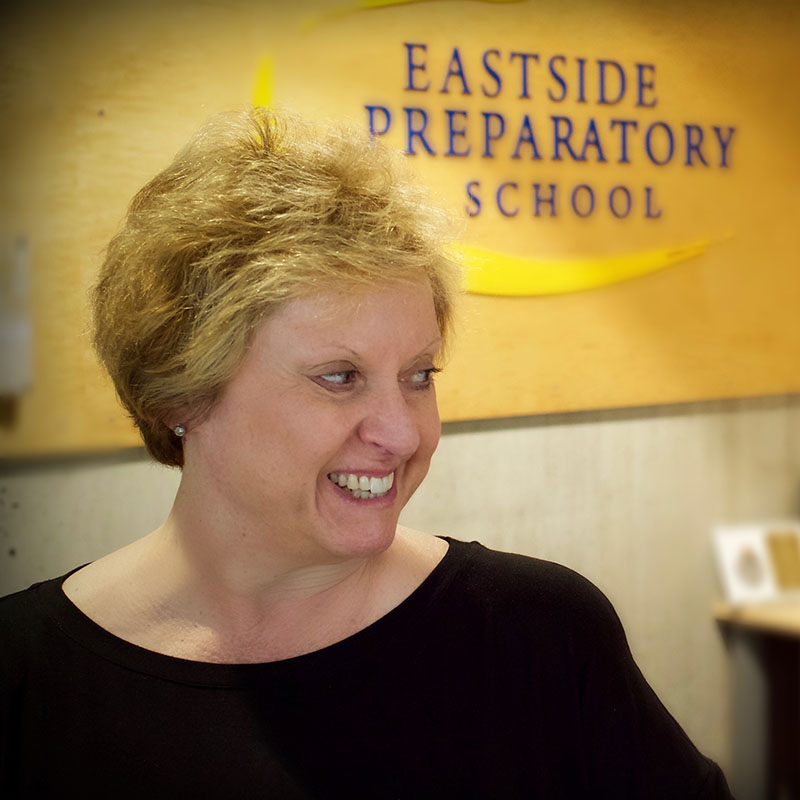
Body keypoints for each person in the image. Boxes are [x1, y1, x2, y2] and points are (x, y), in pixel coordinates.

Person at [1, 107, 732, 798]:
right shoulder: (26, 676)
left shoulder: (538, 635)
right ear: (181, 395)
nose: (403, 433)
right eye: (339, 377)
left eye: (419, 376)